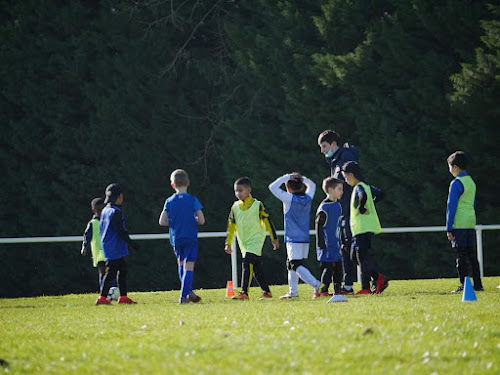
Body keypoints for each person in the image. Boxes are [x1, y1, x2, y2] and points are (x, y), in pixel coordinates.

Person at [269, 173, 324, 299]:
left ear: (288, 189)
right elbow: (313, 185)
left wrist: (287, 177)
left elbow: (272, 187)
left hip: (293, 238)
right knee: (292, 264)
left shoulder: (288, 198)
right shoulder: (308, 197)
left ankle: (317, 285)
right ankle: (293, 292)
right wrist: (301, 178)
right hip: (304, 237)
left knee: (295, 264)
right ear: (302, 187)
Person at [318, 129, 359, 294]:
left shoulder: (346, 157)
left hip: (350, 210)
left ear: (334, 144)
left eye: (324, 146)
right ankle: (347, 285)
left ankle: (355, 283)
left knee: (349, 247)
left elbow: (353, 184)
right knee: (345, 247)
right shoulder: (335, 161)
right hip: (342, 211)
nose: (322, 150)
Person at [224, 177, 279, 300]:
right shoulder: (235, 207)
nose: (238, 193)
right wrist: (228, 243)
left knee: (247, 263)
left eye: (240, 190)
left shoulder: (257, 205)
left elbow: (267, 221)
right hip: (243, 242)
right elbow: (231, 226)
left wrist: (273, 238)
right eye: (236, 191)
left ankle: (244, 292)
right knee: (256, 268)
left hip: (256, 240)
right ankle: (267, 291)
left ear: (249, 190)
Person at [159, 169, 205, 304]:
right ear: (188, 183)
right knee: (189, 266)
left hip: (176, 238)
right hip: (190, 237)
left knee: (181, 264)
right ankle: (183, 296)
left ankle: (189, 292)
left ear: (173, 185)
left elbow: (162, 221)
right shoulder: (192, 200)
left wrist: (174, 222)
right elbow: (202, 220)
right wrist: (192, 220)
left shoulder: (169, 201)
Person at [341, 161, 388, 295]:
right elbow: (380, 194)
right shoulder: (366, 186)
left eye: (345, 177)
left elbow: (363, 196)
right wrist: (371, 204)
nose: (345, 180)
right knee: (360, 258)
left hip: (362, 228)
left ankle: (379, 278)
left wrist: (362, 207)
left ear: (351, 175)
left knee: (358, 258)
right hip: (365, 228)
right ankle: (366, 287)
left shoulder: (358, 188)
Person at [446, 151, 483, 293]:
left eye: (449, 167)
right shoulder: (471, 182)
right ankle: (478, 284)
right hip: (470, 221)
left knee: (460, 255)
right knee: (472, 255)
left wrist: (449, 228)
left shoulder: (456, 183)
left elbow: (451, 206)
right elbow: (472, 204)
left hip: (459, 223)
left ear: (455, 167)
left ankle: (464, 284)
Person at [96, 183, 139, 305]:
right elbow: (120, 231)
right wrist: (131, 243)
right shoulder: (116, 212)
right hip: (115, 247)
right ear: (119, 197)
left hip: (108, 246)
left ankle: (123, 297)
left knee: (122, 270)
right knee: (111, 273)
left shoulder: (105, 211)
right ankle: (102, 298)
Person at [315, 177, 346, 297]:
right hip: (326, 246)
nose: (341, 192)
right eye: (339, 189)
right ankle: (322, 290)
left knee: (338, 268)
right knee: (327, 269)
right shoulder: (324, 208)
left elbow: (338, 226)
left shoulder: (338, 206)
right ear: (330, 190)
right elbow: (318, 226)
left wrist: (343, 241)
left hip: (336, 245)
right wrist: (321, 244)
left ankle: (337, 291)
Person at [81, 197, 112, 289]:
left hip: (109, 251)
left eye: (102, 209)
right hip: (98, 253)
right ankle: (103, 291)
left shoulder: (108, 220)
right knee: (102, 272)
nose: (101, 212)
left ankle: (111, 290)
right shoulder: (92, 223)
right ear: (93, 210)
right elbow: (87, 236)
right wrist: (84, 247)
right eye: (98, 210)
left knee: (111, 271)